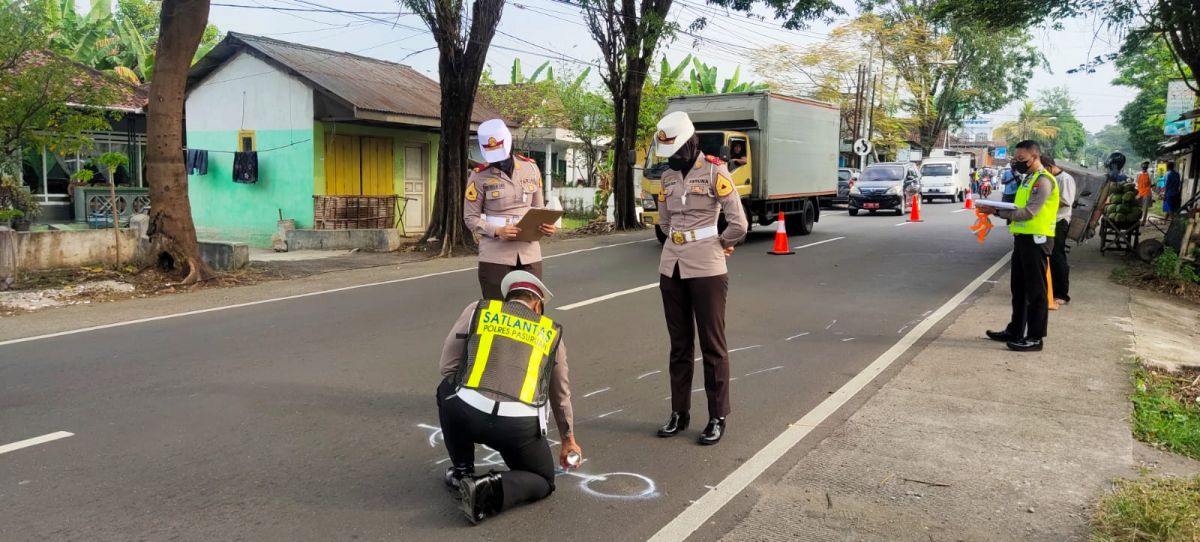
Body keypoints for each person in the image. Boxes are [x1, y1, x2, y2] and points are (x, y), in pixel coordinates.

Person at [436, 270, 581, 524]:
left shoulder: (478, 310)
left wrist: (472, 388)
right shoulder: (549, 332)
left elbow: (447, 367)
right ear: (537, 305)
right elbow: (560, 394)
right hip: (517, 427)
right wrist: (568, 439)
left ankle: (461, 472)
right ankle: (488, 487)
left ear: (507, 299)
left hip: (467, 413)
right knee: (543, 480)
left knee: (446, 391)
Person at [653, 111, 748, 445]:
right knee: (679, 345)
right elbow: (664, 223)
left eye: (677, 152)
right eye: (669, 154)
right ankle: (679, 413)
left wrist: (720, 244)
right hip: (671, 267)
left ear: (689, 144)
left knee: (712, 345)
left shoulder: (714, 170)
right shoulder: (666, 177)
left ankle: (717, 415)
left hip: (707, 267)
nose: (673, 158)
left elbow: (739, 223)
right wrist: (678, 238)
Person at [979, 140, 1059, 352]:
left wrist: (995, 211)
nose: (1018, 163)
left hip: (1037, 240)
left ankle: (1035, 337)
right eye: (1016, 159)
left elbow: (1028, 212)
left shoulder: (1043, 181)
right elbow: (1019, 208)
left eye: (1022, 159)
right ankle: (1015, 330)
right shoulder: (1028, 179)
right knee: (1019, 288)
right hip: (1023, 238)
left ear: (1035, 157)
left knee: (1036, 292)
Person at [464, 119, 557, 300]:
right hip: (495, 256)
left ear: (510, 143)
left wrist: (547, 226)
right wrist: (497, 231)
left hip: (529, 254)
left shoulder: (531, 168)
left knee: (530, 314)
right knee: (497, 313)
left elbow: (538, 209)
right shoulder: (479, 175)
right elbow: (470, 218)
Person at [1042, 156, 1075, 308]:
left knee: (1057, 257)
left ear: (1049, 166)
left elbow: (1066, 201)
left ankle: (1062, 293)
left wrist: (1044, 199)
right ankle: (1047, 289)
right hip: (1047, 222)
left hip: (1059, 221)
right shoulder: (1049, 178)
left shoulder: (1065, 179)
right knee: (1045, 256)